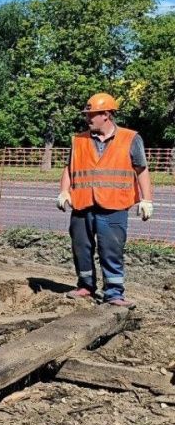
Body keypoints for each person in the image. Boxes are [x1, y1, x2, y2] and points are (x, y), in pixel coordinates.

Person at [56, 93, 154, 307]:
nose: (87, 119)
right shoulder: (79, 140)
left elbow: (141, 170)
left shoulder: (130, 138)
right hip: (82, 204)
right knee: (81, 246)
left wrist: (147, 199)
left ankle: (114, 293)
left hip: (114, 205)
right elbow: (69, 168)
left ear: (107, 115)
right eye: (87, 115)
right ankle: (85, 285)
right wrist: (64, 191)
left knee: (111, 249)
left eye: (92, 115)